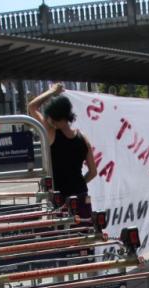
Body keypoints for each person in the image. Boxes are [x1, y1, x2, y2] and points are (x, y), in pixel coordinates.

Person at [28, 83, 98, 218]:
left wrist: (52, 91)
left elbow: (32, 106)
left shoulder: (51, 132)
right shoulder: (83, 138)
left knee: (64, 236)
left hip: (60, 199)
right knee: (85, 233)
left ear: (55, 118)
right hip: (81, 196)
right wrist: (79, 184)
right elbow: (93, 172)